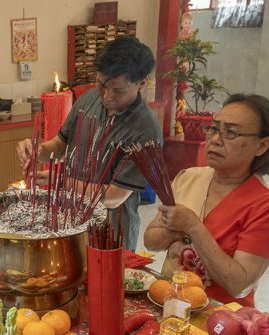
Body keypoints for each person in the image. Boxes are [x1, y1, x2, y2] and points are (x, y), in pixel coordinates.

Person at [17, 36, 161, 251]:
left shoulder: (146, 130)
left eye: (118, 90)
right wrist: (37, 150)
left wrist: (64, 183)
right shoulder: (90, 99)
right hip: (70, 220)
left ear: (142, 83)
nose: (107, 96)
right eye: (102, 84)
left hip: (111, 230)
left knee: (104, 282)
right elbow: (59, 145)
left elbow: (114, 196)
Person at [143, 94, 269, 306]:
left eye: (230, 132)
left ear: (262, 145)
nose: (215, 140)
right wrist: (173, 229)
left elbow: (239, 284)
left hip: (220, 319)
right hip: (171, 303)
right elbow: (150, 240)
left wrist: (193, 226)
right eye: (213, 129)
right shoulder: (189, 178)